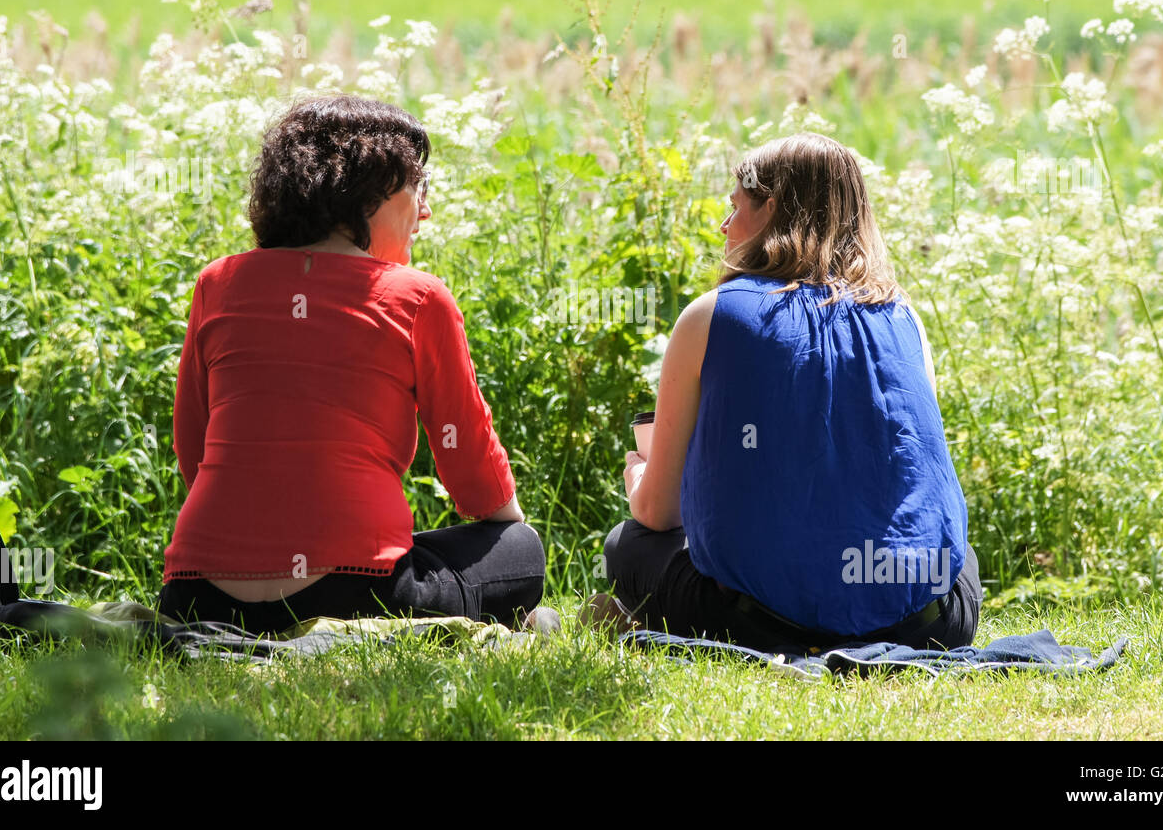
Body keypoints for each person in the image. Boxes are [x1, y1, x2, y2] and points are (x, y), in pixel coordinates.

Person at [156, 96, 545, 635]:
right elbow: (476, 479)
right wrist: (508, 545)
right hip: (353, 593)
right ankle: (527, 620)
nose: (425, 211)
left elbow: (193, 453)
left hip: (196, 596)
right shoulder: (417, 298)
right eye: (418, 189)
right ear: (366, 196)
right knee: (521, 550)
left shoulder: (216, 283)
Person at [592, 133, 982, 654]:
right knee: (962, 559)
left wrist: (639, 474)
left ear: (771, 209)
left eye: (735, 207)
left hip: (758, 625)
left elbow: (660, 514)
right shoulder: (905, 317)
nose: (724, 226)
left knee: (628, 545)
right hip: (929, 622)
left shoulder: (710, 315)